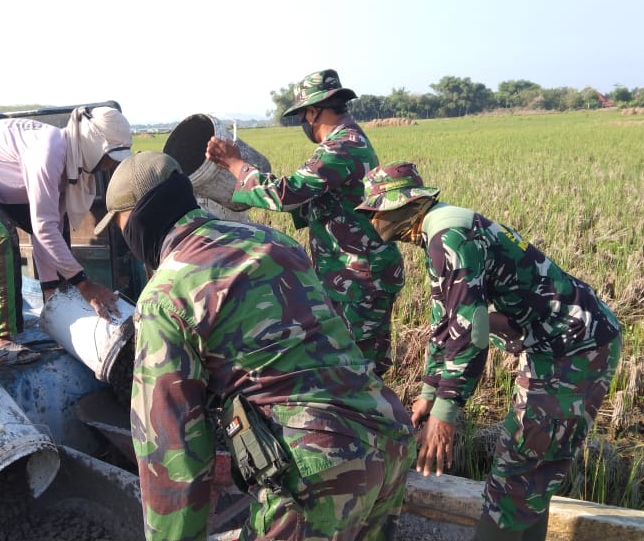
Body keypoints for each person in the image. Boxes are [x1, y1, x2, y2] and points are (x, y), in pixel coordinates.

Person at [93, 152, 416, 541]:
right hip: (388, 431)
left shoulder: (164, 296)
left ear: (140, 219)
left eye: (122, 225)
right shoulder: (271, 240)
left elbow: (171, 449)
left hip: (318, 463)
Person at [355, 161, 623, 541]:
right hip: (555, 344)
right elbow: (447, 324)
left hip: (574, 351)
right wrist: (429, 393)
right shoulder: (443, 227)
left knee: (518, 477)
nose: (372, 219)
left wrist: (445, 414)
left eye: (376, 210)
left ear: (406, 206)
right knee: (524, 480)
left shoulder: (448, 236)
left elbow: (471, 335)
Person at [206, 69, 403, 377]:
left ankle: (376, 421)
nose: (303, 123)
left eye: (302, 115)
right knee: (353, 363)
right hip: (352, 274)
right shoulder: (348, 139)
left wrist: (234, 164)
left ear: (314, 112)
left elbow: (286, 193)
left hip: (360, 278)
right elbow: (315, 199)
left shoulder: (343, 146)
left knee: (359, 369)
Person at [0, 106, 131, 365]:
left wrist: (52, 297)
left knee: (59, 228)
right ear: (93, 142)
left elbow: (49, 229)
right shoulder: (48, 153)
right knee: (0, 238)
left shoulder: (71, 160)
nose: (108, 165)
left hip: (3, 180)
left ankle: (54, 307)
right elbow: (44, 228)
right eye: (109, 157)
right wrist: (84, 284)